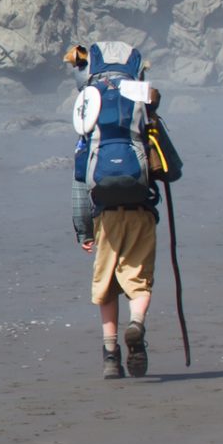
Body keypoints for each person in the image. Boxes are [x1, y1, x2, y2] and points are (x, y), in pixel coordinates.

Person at [68, 41, 162, 378]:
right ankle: (136, 324)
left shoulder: (89, 113)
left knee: (106, 285)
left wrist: (83, 229)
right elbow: (170, 168)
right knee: (138, 281)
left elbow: (81, 180)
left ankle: (110, 356)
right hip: (140, 208)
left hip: (105, 214)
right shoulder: (141, 104)